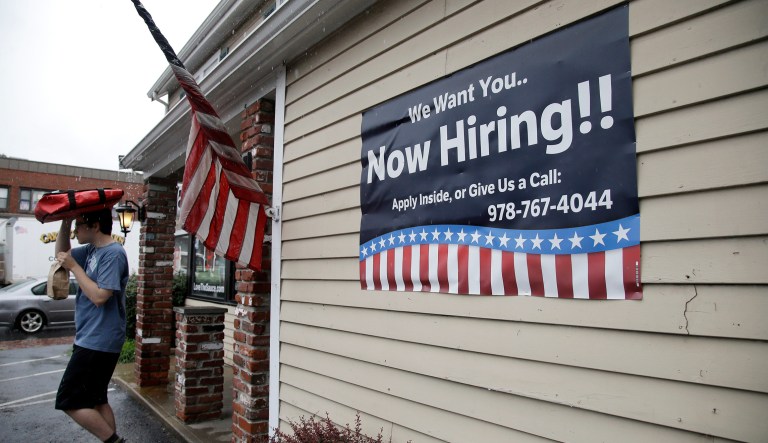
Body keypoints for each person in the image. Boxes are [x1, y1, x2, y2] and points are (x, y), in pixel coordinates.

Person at [54, 209, 129, 443]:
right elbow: (61, 255)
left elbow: (100, 297)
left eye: (79, 224)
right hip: (90, 335)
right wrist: (65, 223)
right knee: (97, 399)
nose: (76, 230)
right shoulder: (90, 251)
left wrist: (75, 267)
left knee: (69, 400)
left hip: (100, 338)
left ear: (95, 226)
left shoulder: (113, 254)